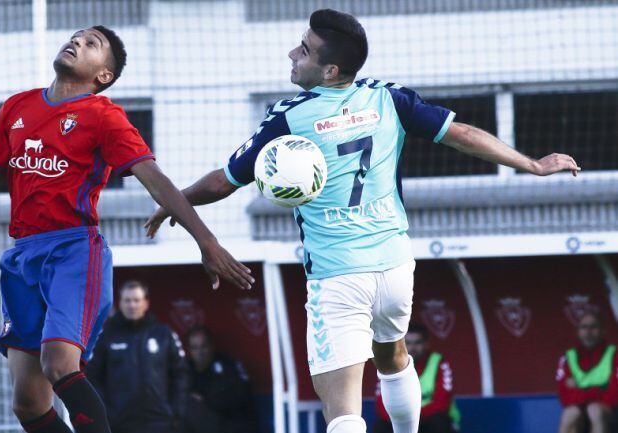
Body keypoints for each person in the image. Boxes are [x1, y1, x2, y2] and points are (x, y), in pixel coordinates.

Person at [144, 8, 580, 433]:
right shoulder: (387, 97)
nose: (292, 55)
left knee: (341, 404)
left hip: (337, 275)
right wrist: (531, 164)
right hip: (394, 265)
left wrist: (174, 201)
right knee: (394, 358)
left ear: (330, 70)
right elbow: (461, 133)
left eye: (304, 50)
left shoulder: (289, 118)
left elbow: (226, 180)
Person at [0, 25, 254, 433]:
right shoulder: (15, 108)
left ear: (102, 75)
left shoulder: (104, 116)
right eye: (76, 36)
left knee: (59, 362)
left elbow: (155, 179)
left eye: (92, 44)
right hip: (21, 257)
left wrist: (206, 241)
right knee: (28, 403)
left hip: (74, 251)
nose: (76, 42)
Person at [86, 281, 188, 433]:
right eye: (127, 300)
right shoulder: (105, 336)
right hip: (119, 423)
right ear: (120, 303)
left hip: (160, 422)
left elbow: (181, 374)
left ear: (146, 303)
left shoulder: (164, 334)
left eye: (136, 300)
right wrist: (106, 413)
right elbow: (92, 377)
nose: (132, 305)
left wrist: (175, 411)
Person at [373, 324, 458, 433]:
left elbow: (441, 403)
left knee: (438, 422)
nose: (412, 348)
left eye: (417, 343)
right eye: (408, 343)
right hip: (401, 421)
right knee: (381, 425)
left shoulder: (438, 361)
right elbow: (381, 404)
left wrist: (411, 418)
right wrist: (403, 420)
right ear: (401, 345)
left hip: (429, 420)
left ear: (426, 344)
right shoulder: (391, 364)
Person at [184, 325, 258, 433]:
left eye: (204, 346)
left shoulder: (228, 365)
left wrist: (205, 399)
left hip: (231, 424)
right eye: (194, 348)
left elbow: (242, 394)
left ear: (212, 346)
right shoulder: (185, 369)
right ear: (189, 350)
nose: (200, 352)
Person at [557, 313, 618, 433]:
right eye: (584, 327)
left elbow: (614, 395)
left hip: (610, 412)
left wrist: (579, 389)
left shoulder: (614, 354)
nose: (588, 332)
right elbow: (564, 396)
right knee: (569, 414)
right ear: (578, 332)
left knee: (594, 410)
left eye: (593, 327)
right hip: (580, 409)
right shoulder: (568, 357)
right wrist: (600, 388)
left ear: (602, 331)